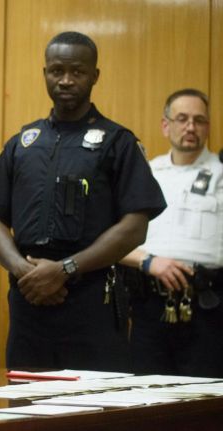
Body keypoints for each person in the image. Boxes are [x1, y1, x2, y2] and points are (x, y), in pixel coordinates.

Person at [0, 31, 166, 371]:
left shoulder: (118, 142)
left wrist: (65, 270)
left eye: (76, 71)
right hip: (28, 297)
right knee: (25, 410)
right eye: (56, 70)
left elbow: (135, 227)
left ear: (94, 76)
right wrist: (22, 271)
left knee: (95, 415)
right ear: (44, 72)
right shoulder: (23, 143)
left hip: (92, 301)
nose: (65, 80)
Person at [121, 89, 223, 377]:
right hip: (148, 306)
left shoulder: (220, 172)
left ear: (208, 127)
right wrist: (148, 261)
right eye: (182, 118)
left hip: (208, 309)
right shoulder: (146, 174)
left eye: (199, 120)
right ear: (166, 125)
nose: (191, 127)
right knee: (147, 401)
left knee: (204, 405)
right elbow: (111, 239)